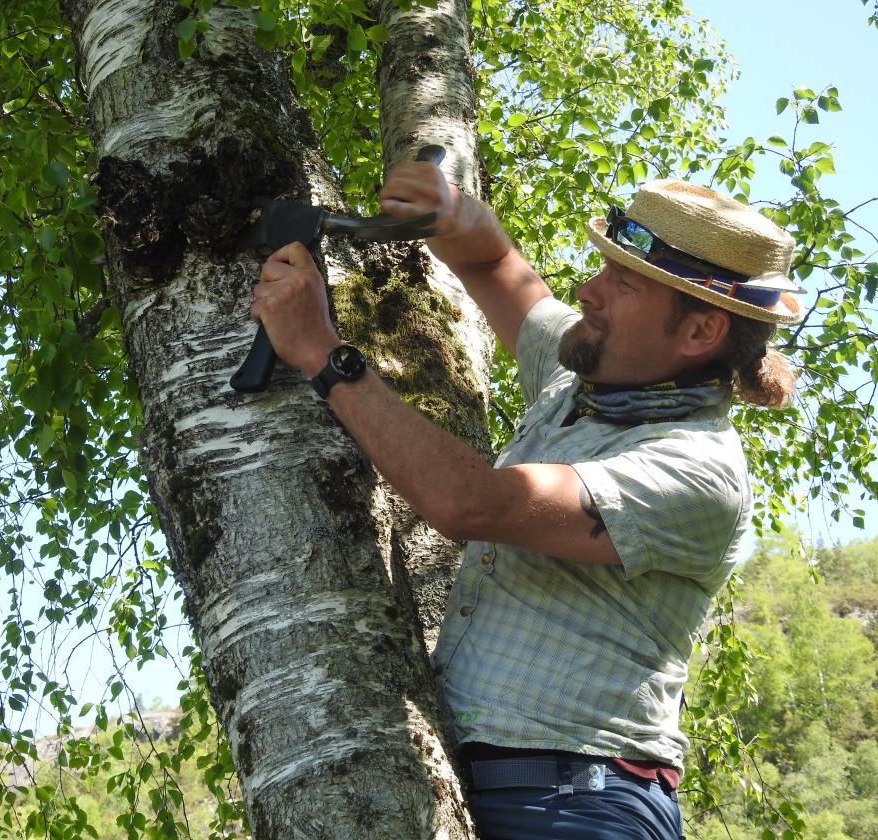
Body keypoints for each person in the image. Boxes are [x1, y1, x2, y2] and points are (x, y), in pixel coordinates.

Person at [247, 159, 803, 840]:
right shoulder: (587, 383)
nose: (588, 291)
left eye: (620, 283)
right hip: (518, 793)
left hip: (583, 808)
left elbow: (471, 503)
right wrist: (459, 218)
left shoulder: (697, 468)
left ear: (698, 333)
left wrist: (323, 352)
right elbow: (498, 271)